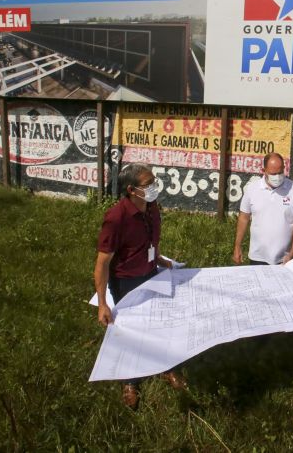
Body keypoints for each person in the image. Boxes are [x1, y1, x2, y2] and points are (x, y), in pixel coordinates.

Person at [93, 163, 185, 409]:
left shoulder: (152, 207)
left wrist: (159, 259)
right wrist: (103, 303)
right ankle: (130, 381)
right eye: (148, 184)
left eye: (154, 180)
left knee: (160, 322)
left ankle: (167, 367)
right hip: (126, 281)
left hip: (151, 273)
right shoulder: (116, 218)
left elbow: (146, 241)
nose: (155, 187)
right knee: (130, 331)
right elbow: (102, 263)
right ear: (132, 190)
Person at [233, 152, 293, 265]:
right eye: (273, 173)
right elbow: (244, 218)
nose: (277, 177)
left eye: (280, 172)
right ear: (264, 171)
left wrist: (292, 253)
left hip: (285, 258)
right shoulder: (252, 189)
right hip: (257, 257)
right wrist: (237, 246)